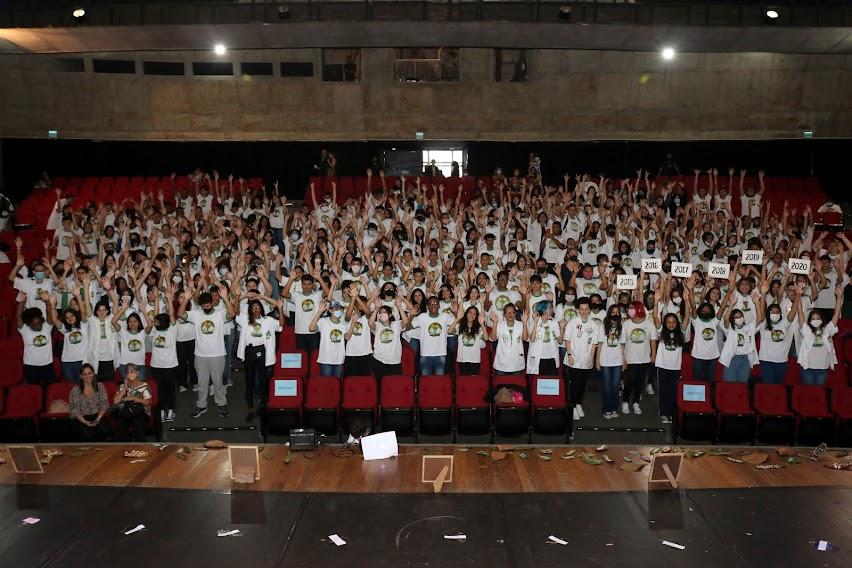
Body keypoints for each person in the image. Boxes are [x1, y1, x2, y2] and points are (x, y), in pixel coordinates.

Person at [178, 284, 236, 419]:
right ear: (200, 305)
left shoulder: (220, 314)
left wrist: (225, 298)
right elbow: (180, 314)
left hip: (218, 354)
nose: (205, 307)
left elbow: (232, 314)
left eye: (208, 305)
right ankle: (201, 405)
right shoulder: (196, 314)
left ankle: (221, 403)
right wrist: (186, 299)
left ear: (212, 303)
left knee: (218, 382)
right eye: (203, 305)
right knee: (202, 383)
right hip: (200, 355)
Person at [236, 297, 285, 421]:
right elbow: (235, 311)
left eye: (258, 307)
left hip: (262, 351)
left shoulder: (268, 320)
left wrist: (280, 308)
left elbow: (281, 324)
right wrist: (237, 297)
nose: (256, 309)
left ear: (261, 309)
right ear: (250, 310)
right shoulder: (245, 319)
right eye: (253, 307)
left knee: (264, 379)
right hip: (249, 351)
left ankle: (263, 406)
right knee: (249, 379)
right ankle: (251, 408)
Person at [651, 276, 691, 424]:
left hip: (675, 367)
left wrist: (686, 300)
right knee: (663, 391)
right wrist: (656, 301)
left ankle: (671, 413)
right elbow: (655, 316)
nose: (671, 324)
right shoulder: (661, 332)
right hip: (662, 366)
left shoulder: (681, 332)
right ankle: (663, 413)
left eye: (673, 322)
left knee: (673, 391)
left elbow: (687, 316)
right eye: (668, 321)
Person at [141, 290, 179, 423]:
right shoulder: (155, 330)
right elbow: (150, 320)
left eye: (157, 321)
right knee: (160, 390)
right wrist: (145, 311)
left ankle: (171, 410)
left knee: (170, 390)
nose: (155, 322)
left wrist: (169, 299)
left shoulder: (173, 330)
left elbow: (172, 315)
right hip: (156, 366)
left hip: (170, 366)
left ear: (164, 322)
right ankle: (162, 409)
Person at [796, 284, 844, 385]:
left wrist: (839, 297)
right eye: (813, 319)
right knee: (808, 394)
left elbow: (836, 314)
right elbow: (800, 313)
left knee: (819, 394)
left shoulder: (827, 331)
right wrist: (798, 295)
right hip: (807, 369)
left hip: (822, 369)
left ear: (822, 320)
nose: (816, 320)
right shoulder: (807, 332)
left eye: (818, 318)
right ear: (810, 321)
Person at [561, 297, 600, 420]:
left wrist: (592, 357)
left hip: (586, 359)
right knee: (574, 384)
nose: (584, 311)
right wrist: (569, 355)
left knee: (583, 384)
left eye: (586, 309)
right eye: (581, 309)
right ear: (578, 310)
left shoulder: (594, 324)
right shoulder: (573, 322)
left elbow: (594, 342)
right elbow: (567, 340)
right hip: (573, 359)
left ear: (589, 310)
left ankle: (578, 404)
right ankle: (572, 407)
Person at [621, 300, 657, 415]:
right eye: (629, 308)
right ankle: (625, 402)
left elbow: (653, 340)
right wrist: (623, 359)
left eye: (632, 308)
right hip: (630, 358)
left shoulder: (649, 323)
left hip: (644, 358)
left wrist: (653, 354)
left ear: (639, 309)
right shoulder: (626, 324)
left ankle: (636, 402)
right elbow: (622, 343)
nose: (629, 310)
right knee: (630, 381)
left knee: (640, 382)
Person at [409, 296, 455, 375]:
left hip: (441, 354)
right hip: (425, 354)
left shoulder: (445, 316)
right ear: (427, 306)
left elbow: (457, 325)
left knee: (439, 381)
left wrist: (455, 313)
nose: (433, 305)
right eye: (431, 304)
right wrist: (412, 315)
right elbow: (408, 327)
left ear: (439, 305)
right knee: (426, 381)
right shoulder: (422, 317)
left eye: (435, 303)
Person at [18, 293, 56, 387]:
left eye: (39, 323)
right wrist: (22, 302)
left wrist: (47, 301)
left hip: (47, 365)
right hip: (31, 366)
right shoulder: (25, 330)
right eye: (35, 325)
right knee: (33, 389)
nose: (39, 326)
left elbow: (48, 312)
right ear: (28, 324)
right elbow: (18, 316)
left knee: (50, 388)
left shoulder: (47, 327)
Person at [596, 304, 626, 419]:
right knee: (607, 386)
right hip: (605, 361)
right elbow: (600, 345)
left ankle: (614, 408)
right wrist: (597, 361)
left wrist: (624, 361)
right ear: (609, 313)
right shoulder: (603, 326)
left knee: (615, 386)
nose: (615, 314)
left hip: (618, 361)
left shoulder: (622, 326)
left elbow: (622, 345)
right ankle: (606, 408)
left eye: (617, 312)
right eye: (613, 312)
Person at [68, 363, 111, 442]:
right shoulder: (76, 390)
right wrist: (85, 422)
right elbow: (75, 410)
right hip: (82, 418)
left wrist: (98, 419)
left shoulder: (100, 386)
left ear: (93, 373)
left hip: (98, 416)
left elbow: (104, 404)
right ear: (81, 376)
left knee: (105, 430)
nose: (88, 376)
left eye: (89, 373)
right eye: (84, 374)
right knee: (87, 434)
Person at [109, 363, 151, 442]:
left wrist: (132, 398)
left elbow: (147, 402)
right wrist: (125, 387)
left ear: (137, 373)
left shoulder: (144, 386)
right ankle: (118, 449)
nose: (130, 374)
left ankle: (141, 449)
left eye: (133, 371)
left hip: (140, 412)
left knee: (137, 423)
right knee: (121, 423)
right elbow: (115, 401)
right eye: (128, 372)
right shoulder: (122, 386)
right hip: (126, 412)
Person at [311, 300, 348, 377]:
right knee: (326, 384)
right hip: (326, 359)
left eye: (340, 309)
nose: (339, 310)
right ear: (330, 310)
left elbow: (347, 337)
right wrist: (319, 312)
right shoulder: (324, 321)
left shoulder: (344, 325)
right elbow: (311, 328)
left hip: (339, 360)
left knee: (337, 385)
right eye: (336, 308)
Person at [490, 303, 527, 376]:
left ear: (515, 314)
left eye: (512, 312)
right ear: (504, 314)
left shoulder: (520, 324)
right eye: (507, 312)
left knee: (516, 386)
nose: (510, 314)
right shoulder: (499, 325)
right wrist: (495, 323)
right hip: (502, 362)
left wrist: (525, 323)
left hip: (516, 362)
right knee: (501, 385)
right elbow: (493, 338)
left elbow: (525, 338)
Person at [450, 305, 487, 375]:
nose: (472, 315)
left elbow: (486, 338)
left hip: (474, 360)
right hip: (462, 359)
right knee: (464, 381)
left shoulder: (478, 328)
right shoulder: (460, 326)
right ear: (466, 314)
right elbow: (449, 331)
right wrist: (458, 318)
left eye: (474, 314)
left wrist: (482, 324)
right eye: (470, 312)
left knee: (473, 382)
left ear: (476, 316)